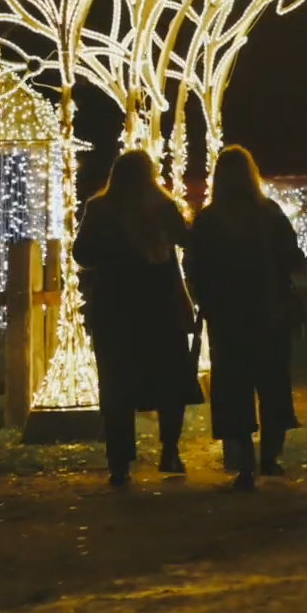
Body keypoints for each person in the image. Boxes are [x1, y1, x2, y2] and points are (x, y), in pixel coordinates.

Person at [75, 149, 205, 487]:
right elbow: (188, 241)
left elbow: (82, 253)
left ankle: (120, 462)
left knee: (117, 385)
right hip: (158, 303)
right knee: (169, 379)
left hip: (115, 306)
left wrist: (113, 254)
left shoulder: (101, 208)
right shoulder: (163, 208)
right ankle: (170, 450)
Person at [184, 144, 304, 491]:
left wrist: (205, 299)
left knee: (232, 385)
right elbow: (292, 259)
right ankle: (271, 456)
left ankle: (243, 461)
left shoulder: (208, 221)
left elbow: (195, 266)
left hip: (227, 316)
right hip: (269, 311)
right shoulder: (269, 214)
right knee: (272, 383)